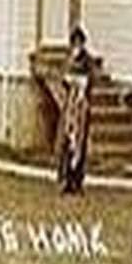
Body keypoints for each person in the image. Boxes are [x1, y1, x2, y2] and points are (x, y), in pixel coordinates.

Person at [55, 26, 94, 194]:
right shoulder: (68, 59)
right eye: (74, 41)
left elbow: (91, 80)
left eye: (79, 41)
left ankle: (77, 180)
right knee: (66, 142)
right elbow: (63, 78)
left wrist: (82, 85)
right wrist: (69, 82)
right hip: (69, 106)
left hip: (81, 106)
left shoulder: (87, 61)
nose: (77, 45)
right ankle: (65, 178)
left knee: (79, 143)